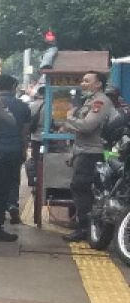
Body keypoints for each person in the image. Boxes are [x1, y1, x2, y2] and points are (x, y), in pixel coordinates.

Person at [61, 71, 114, 242]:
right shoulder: (89, 102)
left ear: (98, 84)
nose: (82, 84)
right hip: (83, 151)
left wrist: (69, 119)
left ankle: (84, 228)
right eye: (82, 81)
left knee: (81, 188)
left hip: (93, 152)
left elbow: (87, 126)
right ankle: (86, 225)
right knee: (82, 189)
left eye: (86, 81)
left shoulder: (100, 101)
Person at [0, 74, 31, 238]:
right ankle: (11, 206)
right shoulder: (22, 106)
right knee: (11, 181)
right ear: (14, 86)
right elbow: (25, 132)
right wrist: (23, 149)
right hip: (13, 150)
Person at [25, 85, 47, 188]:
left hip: (35, 138)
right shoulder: (52, 105)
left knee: (35, 159)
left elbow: (27, 122)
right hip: (49, 139)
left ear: (39, 94)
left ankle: (35, 180)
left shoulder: (31, 105)